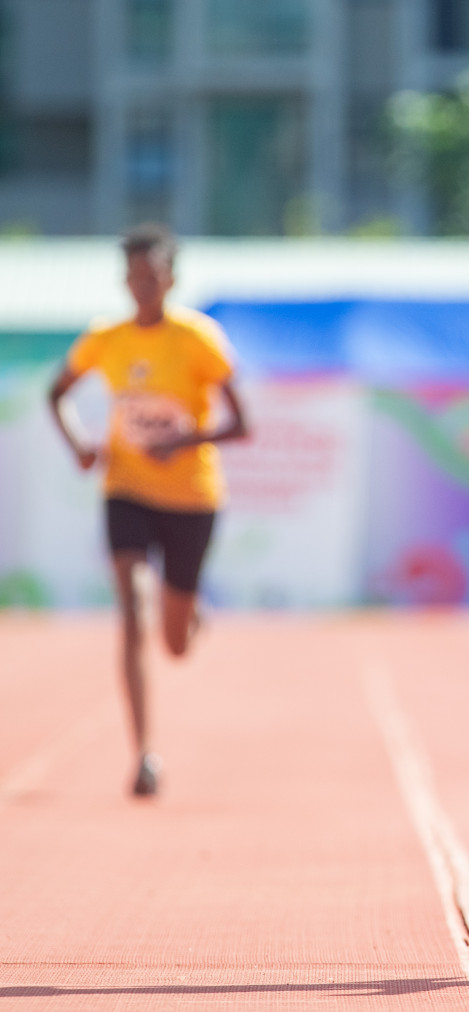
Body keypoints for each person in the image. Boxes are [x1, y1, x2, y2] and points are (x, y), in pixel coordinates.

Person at [47, 223, 249, 797]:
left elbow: (241, 423)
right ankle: (143, 754)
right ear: (124, 280)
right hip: (126, 488)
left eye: (152, 277)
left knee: (175, 645)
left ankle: (187, 613)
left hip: (191, 497)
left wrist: (178, 443)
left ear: (170, 279)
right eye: (133, 277)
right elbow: (55, 393)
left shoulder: (198, 340)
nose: (142, 287)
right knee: (131, 609)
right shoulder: (104, 339)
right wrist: (81, 445)